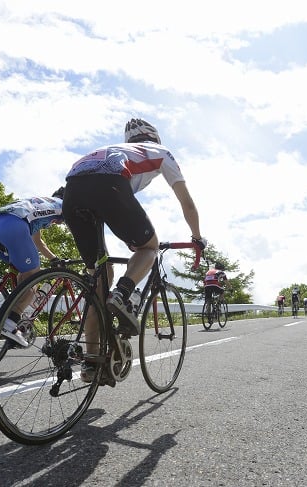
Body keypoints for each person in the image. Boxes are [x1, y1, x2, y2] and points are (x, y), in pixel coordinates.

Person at [61, 118, 206, 381]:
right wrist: (197, 238)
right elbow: (188, 204)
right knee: (149, 247)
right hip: (109, 185)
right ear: (156, 139)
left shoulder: (110, 149)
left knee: (99, 280)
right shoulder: (161, 153)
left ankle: (92, 364)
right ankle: (124, 293)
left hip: (73, 190)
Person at [0, 190, 64, 347]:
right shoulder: (63, 205)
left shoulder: (38, 203)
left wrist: (54, 259)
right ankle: (10, 323)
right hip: (13, 227)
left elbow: (38, 241)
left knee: (24, 276)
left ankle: (11, 317)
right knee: (33, 279)